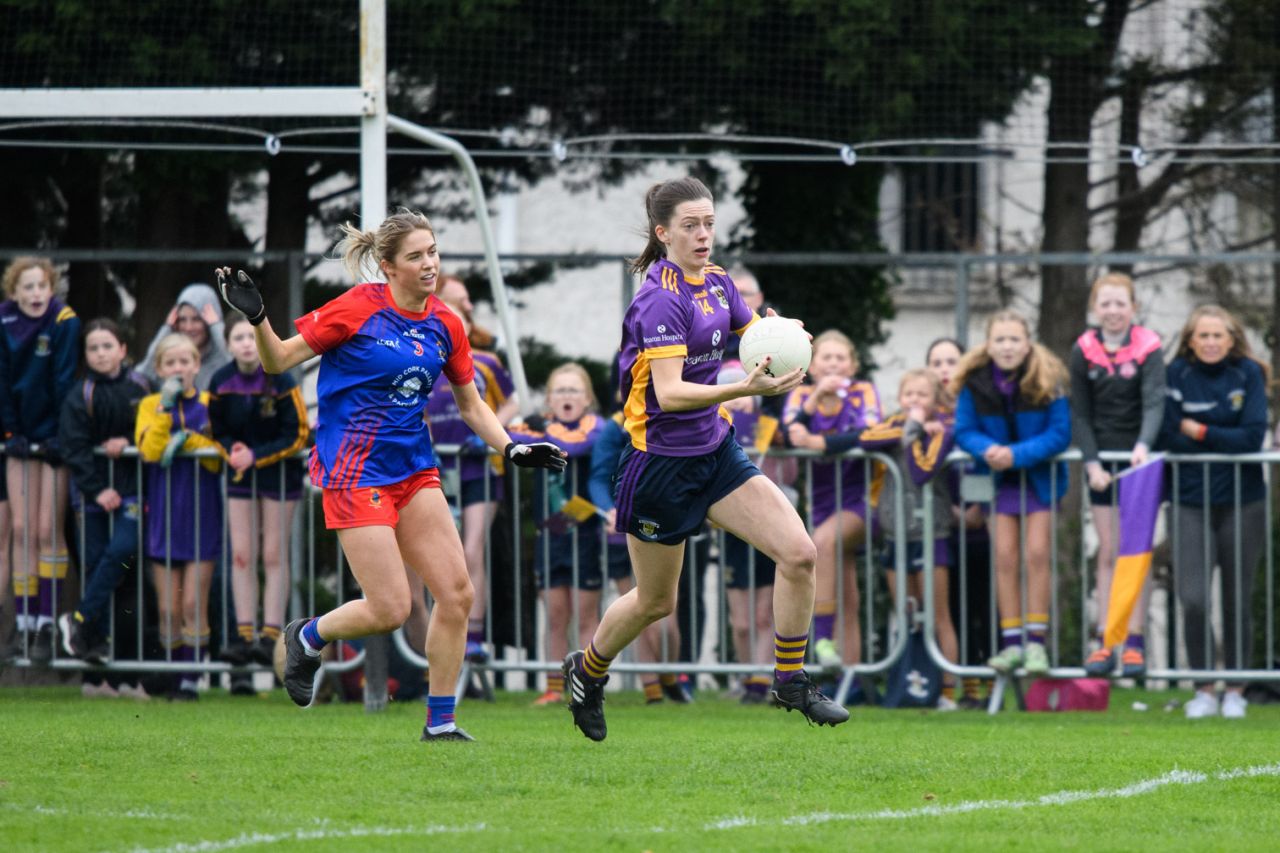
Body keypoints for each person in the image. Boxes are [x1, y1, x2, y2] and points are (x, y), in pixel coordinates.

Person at [215, 208, 565, 742]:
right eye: (416, 256)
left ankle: (441, 723)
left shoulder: (446, 322)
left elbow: (472, 406)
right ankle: (309, 635)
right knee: (391, 607)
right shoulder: (357, 308)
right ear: (388, 266)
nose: (430, 264)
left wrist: (512, 447)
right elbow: (278, 361)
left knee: (457, 594)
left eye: (433, 252)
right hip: (353, 472)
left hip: (413, 470)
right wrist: (258, 319)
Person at [562, 176, 847, 742]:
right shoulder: (659, 299)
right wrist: (745, 390)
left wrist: (782, 333)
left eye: (709, 224)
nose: (703, 235)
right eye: (690, 225)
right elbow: (669, 394)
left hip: (715, 453)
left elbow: (752, 333)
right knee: (654, 602)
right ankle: (587, 671)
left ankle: (789, 678)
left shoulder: (717, 283)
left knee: (799, 554)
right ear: (664, 232)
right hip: (658, 468)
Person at [1159, 305, 1267, 720]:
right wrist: (1218, 436)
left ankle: (1236, 688)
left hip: (1243, 501)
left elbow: (1251, 437)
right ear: (1190, 340)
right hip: (1189, 500)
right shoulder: (1176, 375)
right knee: (1193, 599)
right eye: (1202, 336)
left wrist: (1201, 431)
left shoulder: (1248, 374)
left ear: (1231, 338)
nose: (1209, 343)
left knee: (1238, 598)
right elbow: (1170, 435)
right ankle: (1204, 687)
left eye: (1217, 336)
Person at [952, 310, 1070, 677]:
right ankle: (1012, 644)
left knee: (1036, 555)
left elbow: (1060, 432)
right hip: (998, 482)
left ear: (1027, 342)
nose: (1007, 346)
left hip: (1037, 480)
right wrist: (988, 449)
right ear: (988, 345)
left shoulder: (1048, 379)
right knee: (1004, 557)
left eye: (1014, 339)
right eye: (999, 339)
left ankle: (1036, 643)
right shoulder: (975, 383)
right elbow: (964, 430)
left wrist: (1015, 455)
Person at [1069, 274, 1166, 677]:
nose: (1112, 311)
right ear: (1096, 308)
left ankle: (1135, 642)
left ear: (1133, 307)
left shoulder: (1149, 346)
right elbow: (1080, 413)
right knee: (1109, 552)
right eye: (1105, 304)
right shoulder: (1084, 349)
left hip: (1139, 463)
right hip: (1101, 464)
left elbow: (1154, 402)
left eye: (1119, 303)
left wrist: (1143, 445)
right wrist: (1091, 463)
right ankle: (1106, 641)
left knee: (1135, 552)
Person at [509, 363, 621, 705]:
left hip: (584, 535)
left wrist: (542, 435)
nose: (567, 396)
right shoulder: (539, 427)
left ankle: (588, 686)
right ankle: (553, 687)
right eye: (560, 390)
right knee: (555, 615)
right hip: (551, 535)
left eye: (574, 390)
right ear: (549, 399)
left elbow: (575, 447)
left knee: (586, 614)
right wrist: (527, 427)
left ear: (587, 399)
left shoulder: (596, 428)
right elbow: (502, 435)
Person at [207, 312, 309, 681]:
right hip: (240, 475)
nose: (247, 345)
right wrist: (231, 449)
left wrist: (258, 455)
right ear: (228, 343)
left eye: (252, 338)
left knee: (272, 553)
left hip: (279, 474)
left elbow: (297, 433)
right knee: (241, 554)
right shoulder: (220, 381)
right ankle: (244, 633)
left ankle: (269, 634)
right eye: (238, 339)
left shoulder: (281, 378)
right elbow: (214, 429)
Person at [56, 319, 152, 699]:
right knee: (95, 566)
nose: (100, 353)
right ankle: (92, 664)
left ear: (123, 350)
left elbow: (152, 429)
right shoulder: (81, 394)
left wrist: (127, 441)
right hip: (92, 498)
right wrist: (97, 491)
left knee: (122, 554)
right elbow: (74, 447)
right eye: (93, 348)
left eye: (107, 346)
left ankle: (77, 621)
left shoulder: (142, 387)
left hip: (131, 493)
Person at [425, 275, 518, 664]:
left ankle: (473, 635)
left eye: (466, 301)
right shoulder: (424, 354)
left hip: (479, 467)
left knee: (471, 548)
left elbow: (514, 403)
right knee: (439, 555)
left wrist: (491, 432)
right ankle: (441, 635)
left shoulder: (487, 361)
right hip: (435, 470)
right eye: (457, 300)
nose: (466, 307)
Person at [859, 369, 960, 710]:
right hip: (895, 532)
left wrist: (914, 430)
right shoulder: (897, 423)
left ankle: (947, 691)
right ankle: (909, 684)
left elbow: (921, 471)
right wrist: (909, 426)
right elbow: (866, 439)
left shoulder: (941, 430)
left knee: (937, 613)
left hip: (932, 533)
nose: (915, 401)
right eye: (909, 395)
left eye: (923, 396)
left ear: (936, 401)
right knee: (906, 611)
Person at [784, 330, 881, 674]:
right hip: (822, 504)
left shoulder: (863, 392)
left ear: (853, 365)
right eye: (827, 357)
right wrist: (811, 408)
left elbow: (870, 433)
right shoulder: (802, 395)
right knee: (846, 596)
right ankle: (851, 680)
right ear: (813, 365)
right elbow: (788, 432)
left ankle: (823, 641)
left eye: (842, 358)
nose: (835, 364)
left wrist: (820, 444)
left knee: (822, 544)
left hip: (862, 500)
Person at [136, 333, 227, 700]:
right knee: (167, 607)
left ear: (196, 366)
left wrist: (188, 440)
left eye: (184, 362)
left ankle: (191, 676)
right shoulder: (150, 405)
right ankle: (173, 673)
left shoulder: (209, 404)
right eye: (170, 363)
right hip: (163, 513)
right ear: (159, 369)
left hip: (200, 514)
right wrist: (164, 413)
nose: (178, 369)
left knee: (193, 602)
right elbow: (150, 450)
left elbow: (216, 454)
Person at [0, 256, 80, 663]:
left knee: (49, 527)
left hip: (53, 438)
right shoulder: (4, 321)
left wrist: (57, 433)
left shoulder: (65, 320)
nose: (34, 294)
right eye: (26, 287)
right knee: (21, 526)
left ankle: (48, 621)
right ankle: (26, 622)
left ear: (51, 289)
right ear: (13, 292)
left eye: (41, 286)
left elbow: (63, 379)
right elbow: (1, 375)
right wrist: (10, 430)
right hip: (18, 435)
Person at [587, 407, 690, 706]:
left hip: (667, 520)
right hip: (623, 526)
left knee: (665, 611)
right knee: (641, 610)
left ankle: (668, 675)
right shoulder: (616, 426)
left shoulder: (678, 418)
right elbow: (598, 476)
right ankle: (652, 689)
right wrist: (609, 509)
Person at [926, 336, 991, 709]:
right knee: (951, 610)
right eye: (937, 362)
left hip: (980, 526)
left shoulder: (976, 406)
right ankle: (960, 687)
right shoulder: (923, 410)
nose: (944, 369)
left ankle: (983, 685)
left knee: (982, 608)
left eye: (951, 361)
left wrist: (978, 506)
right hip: (941, 525)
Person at [715, 361, 778, 705]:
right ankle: (745, 675)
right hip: (733, 528)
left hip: (767, 525)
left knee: (762, 614)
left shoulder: (768, 427)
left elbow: (790, 471)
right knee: (740, 621)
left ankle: (760, 679)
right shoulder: (714, 431)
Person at [139, 283, 230, 389]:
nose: (188, 327)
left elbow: (240, 365)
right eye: (182, 320)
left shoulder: (221, 358)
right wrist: (167, 328)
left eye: (196, 319)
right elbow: (142, 375)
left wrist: (216, 326)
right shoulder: (172, 359)